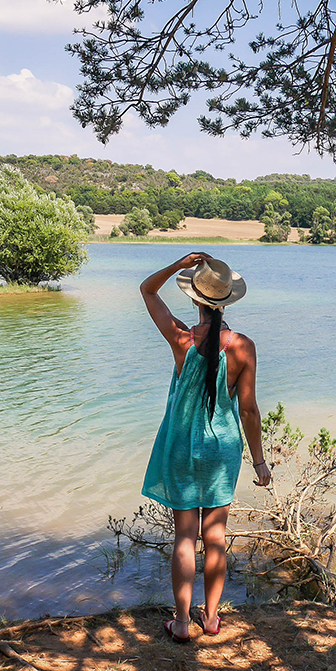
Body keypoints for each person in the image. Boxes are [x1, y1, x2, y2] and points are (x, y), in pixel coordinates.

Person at [139, 252, 272, 643]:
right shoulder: (243, 346)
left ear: (196, 300)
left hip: (182, 446)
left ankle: (181, 623)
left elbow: (147, 290)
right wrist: (260, 461)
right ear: (227, 301)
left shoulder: (181, 339)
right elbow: (248, 409)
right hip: (223, 449)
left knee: (184, 537)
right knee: (215, 536)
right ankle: (212, 619)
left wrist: (178, 265)